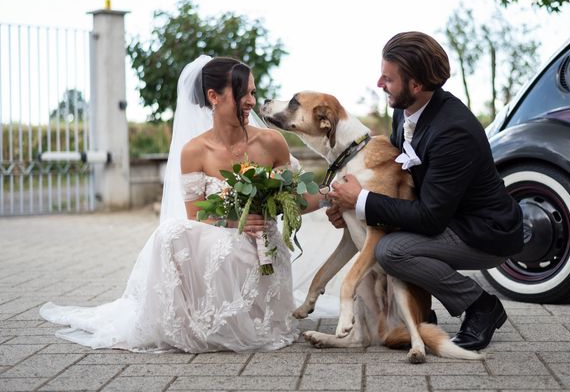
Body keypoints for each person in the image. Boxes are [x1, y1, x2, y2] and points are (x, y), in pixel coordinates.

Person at [40, 55, 320, 353]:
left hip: (262, 250)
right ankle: (193, 318)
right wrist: (233, 219)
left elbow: (300, 197)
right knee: (170, 232)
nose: (251, 100)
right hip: (223, 243)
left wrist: (324, 197)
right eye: (243, 93)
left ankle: (251, 312)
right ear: (214, 96)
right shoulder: (195, 151)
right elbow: (196, 215)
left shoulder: (272, 141)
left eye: (253, 91)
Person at [327, 31, 523, 351]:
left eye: (388, 78)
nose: (380, 83)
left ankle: (480, 305)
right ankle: (422, 311)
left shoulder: (453, 131)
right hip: (448, 217)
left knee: (392, 251)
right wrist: (349, 207)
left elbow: (430, 218)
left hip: (484, 230)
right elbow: (398, 180)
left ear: (415, 84)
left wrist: (361, 200)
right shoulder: (402, 109)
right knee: (394, 240)